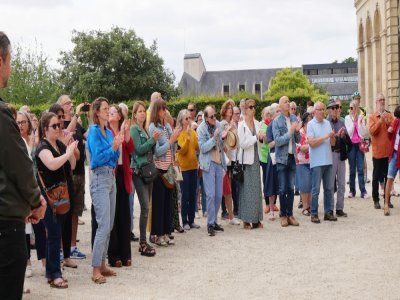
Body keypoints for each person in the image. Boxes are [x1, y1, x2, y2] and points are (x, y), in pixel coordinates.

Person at [36, 112, 78, 288]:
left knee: (55, 234)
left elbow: (73, 165)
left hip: (61, 196)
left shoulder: (60, 144)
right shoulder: (42, 148)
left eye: (59, 125)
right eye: (54, 126)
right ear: (45, 129)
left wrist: (71, 150)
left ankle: (51, 272)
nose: (58, 128)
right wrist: (67, 153)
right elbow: (52, 164)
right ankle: (54, 273)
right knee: (53, 234)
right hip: (48, 198)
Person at [88, 97, 124, 284]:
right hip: (100, 178)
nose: (107, 110)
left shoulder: (109, 132)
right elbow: (96, 159)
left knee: (109, 225)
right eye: (104, 108)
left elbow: (114, 156)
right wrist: (114, 147)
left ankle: (102, 264)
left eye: (108, 108)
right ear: (96, 112)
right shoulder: (93, 132)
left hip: (110, 177)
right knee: (103, 224)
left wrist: (116, 145)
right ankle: (95, 269)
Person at [58, 95, 88, 258]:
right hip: (67, 174)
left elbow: (88, 135)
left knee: (76, 211)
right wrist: (76, 115)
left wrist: (91, 116)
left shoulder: (79, 125)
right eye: (67, 103)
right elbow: (66, 133)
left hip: (80, 173)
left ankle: (73, 246)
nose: (71, 105)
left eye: (71, 103)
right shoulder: (61, 124)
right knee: (64, 212)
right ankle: (62, 248)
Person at [148, 99, 181, 246]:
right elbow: (156, 152)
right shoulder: (153, 128)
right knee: (159, 203)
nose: (164, 111)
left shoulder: (167, 126)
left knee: (169, 201)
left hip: (169, 168)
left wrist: (174, 140)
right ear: (157, 110)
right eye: (162, 109)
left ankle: (167, 232)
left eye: (165, 108)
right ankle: (158, 234)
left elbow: (171, 148)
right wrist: (171, 141)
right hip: (159, 169)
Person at [130, 101, 159, 256]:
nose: (142, 113)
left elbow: (150, 150)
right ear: (134, 114)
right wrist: (152, 140)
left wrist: (153, 140)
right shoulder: (134, 129)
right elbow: (139, 150)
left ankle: (144, 240)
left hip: (148, 170)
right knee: (145, 206)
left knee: (147, 207)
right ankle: (142, 242)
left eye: (143, 111)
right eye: (139, 111)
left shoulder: (145, 129)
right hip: (139, 171)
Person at [107, 105, 134, 267]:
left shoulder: (123, 130)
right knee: (114, 216)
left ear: (119, 116)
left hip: (123, 176)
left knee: (124, 215)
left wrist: (127, 132)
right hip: (112, 175)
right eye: (108, 111)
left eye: (113, 112)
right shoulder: (106, 131)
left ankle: (126, 254)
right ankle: (114, 255)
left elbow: (131, 149)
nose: (110, 113)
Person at [197, 105, 227, 236]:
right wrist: (214, 138)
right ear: (206, 118)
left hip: (219, 163)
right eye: (212, 116)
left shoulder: (219, 125)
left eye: (215, 115)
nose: (215, 118)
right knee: (210, 195)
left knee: (219, 194)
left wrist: (223, 138)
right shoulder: (201, 128)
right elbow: (203, 148)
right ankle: (210, 224)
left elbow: (221, 144)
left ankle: (214, 221)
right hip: (208, 165)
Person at [272, 96, 301, 227]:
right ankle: (283, 215)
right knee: (282, 188)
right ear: (280, 105)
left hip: (292, 157)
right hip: (281, 159)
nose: (288, 103)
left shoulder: (294, 118)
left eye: (289, 101)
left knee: (291, 188)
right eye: (286, 102)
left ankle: (290, 214)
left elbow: (298, 139)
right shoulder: (276, 121)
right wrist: (290, 132)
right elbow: (277, 141)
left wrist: (297, 131)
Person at [307, 102, 337, 223]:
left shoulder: (328, 123)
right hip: (316, 162)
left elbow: (333, 144)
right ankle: (314, 213)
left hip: (328, 161)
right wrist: (326, 137)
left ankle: (328, 212)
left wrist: (333, 137)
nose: (322, 112)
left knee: (329, 188)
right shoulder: (310, 124)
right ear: (314, 112)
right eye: (319, 109)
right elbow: (312, 143)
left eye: (323, 109)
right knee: (315, 190)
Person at [238, 99, 264, 229]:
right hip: (246, 162)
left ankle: (257, 219)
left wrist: (261, 138)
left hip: (256, 159)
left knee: (257, 190)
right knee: (247, 191)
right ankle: (246, 220)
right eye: (250, 107)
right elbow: (242, 143)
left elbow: (260, 143)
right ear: (245, 110)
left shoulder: (258, 123)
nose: (253, 109)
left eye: (254, 107)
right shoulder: (241, 125)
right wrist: (256, 138)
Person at [176, 109, 200, 230]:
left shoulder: (192, 132)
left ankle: (191, 220)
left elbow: (196, 147)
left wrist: (193, 136)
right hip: (183, 168)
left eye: (190, 118)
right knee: (185, 195)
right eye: (186, 118)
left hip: (193, 167)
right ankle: (184, 220)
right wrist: (188, 138)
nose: (189, 120)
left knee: (193, 194)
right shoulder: (179, 133)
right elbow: (182, 150)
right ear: (181, 120)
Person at [368, 94, 394, 209]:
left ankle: (387, 200)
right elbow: (372, 131)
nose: (382, 102)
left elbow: (394, 127)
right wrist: (380, 121)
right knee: (375, 177)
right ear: (376, 102)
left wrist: (387, 122)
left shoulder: (389, 115)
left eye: (383, 100)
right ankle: (376, 199)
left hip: (388, 153)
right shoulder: (372, 117)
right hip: (378, 153)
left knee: (388, 177)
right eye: (380, 100)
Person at [327, 99, 351, 218]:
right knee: (330, 184)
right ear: (329, 110)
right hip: (330, 154)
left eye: (337, 107)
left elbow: (348, 140)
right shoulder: (326, 123)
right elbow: (327, 140)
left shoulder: (342, 122)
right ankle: (330, 209)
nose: (335, 110)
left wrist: (344, 136)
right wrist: (337, 135)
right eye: (333, 108)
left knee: (341, 183)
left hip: (341, 154)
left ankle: (340, 208)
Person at [220, 99, 240, 225]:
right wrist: (229, 128)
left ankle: (231, 213)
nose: (230, 110)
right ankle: (224, 211)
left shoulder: (234, 123)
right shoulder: (222, 124)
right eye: (228, 108)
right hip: (224, 158)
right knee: (224, 187)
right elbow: (221, 138)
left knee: (230, 186)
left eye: (231, 108)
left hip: (232, 157)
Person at [345, 100, 369, 198]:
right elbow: (349, 133)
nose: (351, 110)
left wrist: (360, 122)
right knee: (352, 169)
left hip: (359, 145)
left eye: (353, 108)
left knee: (360, 168)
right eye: (350, 108)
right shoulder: (347, 118)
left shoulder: (360, 117)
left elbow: (364, 133)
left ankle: (363, 191)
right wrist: (353, 122)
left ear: (356, 108)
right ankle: (352, 191)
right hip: (351, 146)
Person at [264, 103, 281, 219]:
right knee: (271, 183)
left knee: (282, 184)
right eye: (278, 111)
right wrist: (280, 140)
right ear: (273, 114)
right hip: (273, 157)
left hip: (283, 157)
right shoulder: (270, 126)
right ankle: (270, 208)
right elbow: (269, 144)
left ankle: (282, 208)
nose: (280, 113)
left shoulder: (284, 124)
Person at [383, 105, 400, 216]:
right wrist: (389, 131)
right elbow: (390, 137)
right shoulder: (396, 122)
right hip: (394, 154)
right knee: (389, 178)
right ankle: (386, 204)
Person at [296, 112, 312, 216]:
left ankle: (309, 206)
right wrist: (312, 145)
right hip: (301, 162)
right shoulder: (300, 133)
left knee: (310, 185)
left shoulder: (312, 132)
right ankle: (305, 207)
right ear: (305, 123)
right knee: (304, 185)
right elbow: (301, 148)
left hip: (312, 161)